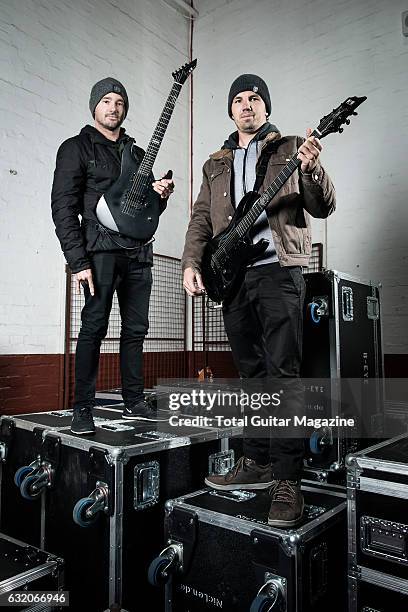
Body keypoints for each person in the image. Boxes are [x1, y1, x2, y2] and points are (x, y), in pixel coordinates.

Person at [182, 74, 335, 526]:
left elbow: (322, 205)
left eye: (254, 99)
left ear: (265, 107)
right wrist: (193, 262)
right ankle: (258, 461)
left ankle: (289, 480)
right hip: (233, 279)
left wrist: (311, 169)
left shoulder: (291, 147)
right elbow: (200, 219)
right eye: (239, 100)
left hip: (278, 272)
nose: (247, 105)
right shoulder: (215, 162)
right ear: (231, 110)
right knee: (251, 375)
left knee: (283, 374)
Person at [51, 77, 174, 435]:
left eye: (119, 102)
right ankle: (83, 408)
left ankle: (134, 400)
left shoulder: (136, 155)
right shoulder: (76, 148)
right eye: (106, 101)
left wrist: (161, 196)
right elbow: (63, 208)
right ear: (95, 107)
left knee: (136, 330)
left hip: (138, 254)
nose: (113, 107)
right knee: (93, 327)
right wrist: (78, 262)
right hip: (99, 252)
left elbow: (143, 210)